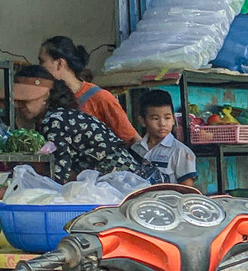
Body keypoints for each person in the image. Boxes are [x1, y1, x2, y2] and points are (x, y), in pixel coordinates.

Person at [13, 67, 158, 184]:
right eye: (17, 102)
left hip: (123, 185)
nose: (19, 106)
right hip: (127, 181)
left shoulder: (54, 121)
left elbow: (57, 174)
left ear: (46, 96)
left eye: (25, 101)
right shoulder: (63, 115)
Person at [40, 35, 142, 149]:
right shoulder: (47, 98)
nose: (39, 68)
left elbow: (132, 139)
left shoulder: (100, 98)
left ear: (60, 63)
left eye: (42, 61)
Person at [138, 90, 197, 186]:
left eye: (167, 118)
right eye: (155, 118)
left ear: (174, 119)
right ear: (143, 121)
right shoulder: (135, 148)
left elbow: (187, 190)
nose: (162, 124)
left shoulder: (181, 152)